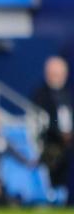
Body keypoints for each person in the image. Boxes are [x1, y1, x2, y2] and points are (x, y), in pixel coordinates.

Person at [31, 56, 73, 199]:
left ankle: (64, 198)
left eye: (60, 74)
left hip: (68, 142)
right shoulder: (41, 95)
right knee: (51, 171)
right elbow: (40, 120)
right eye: (54, 73)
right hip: (51, 142)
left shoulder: (68, 94)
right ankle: (50, 198)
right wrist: (58, 133)